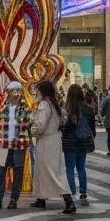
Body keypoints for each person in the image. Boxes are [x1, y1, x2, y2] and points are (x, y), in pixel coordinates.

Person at [0, 82, 33, 210]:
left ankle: (13, 200)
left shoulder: (26, 108)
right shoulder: (2, 107)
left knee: (18, 171)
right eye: (14, 91)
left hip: (19, 144)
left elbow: (29, 121)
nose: (16, 93)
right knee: (0, 171)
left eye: (18, 91)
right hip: (3, 143)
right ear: (8, 92)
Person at [29, 80, 68, 211]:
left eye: (38, 90)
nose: (36, 92)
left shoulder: (44, 105)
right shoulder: (54, 103)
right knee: (45, 171)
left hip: (46, 142)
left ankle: (69, 200)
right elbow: (63, 119)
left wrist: (31, 126)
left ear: (42, 91)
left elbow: (40, 126)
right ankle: (40, 198)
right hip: (54, 140)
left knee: (51, 172)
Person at [60, 83, 95, 213]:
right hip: (82, 142)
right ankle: (83, 194)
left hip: (69, 142)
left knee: (69, 168)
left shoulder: (66, 108)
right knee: (81, 167)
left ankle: (71, 193)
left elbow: (62, 126)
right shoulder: (89, 108)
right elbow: (92, 127)